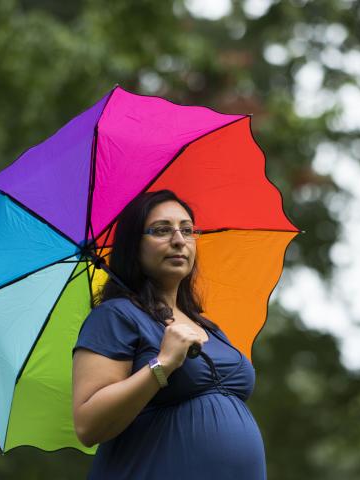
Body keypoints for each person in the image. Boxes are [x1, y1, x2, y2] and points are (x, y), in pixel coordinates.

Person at [72, 189, 267, 479]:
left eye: (187, 230)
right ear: (133, 245)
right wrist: (162, 365)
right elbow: (88, 425)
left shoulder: (208, 327)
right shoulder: (115, 316)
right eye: (162, 230)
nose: (179, 240)